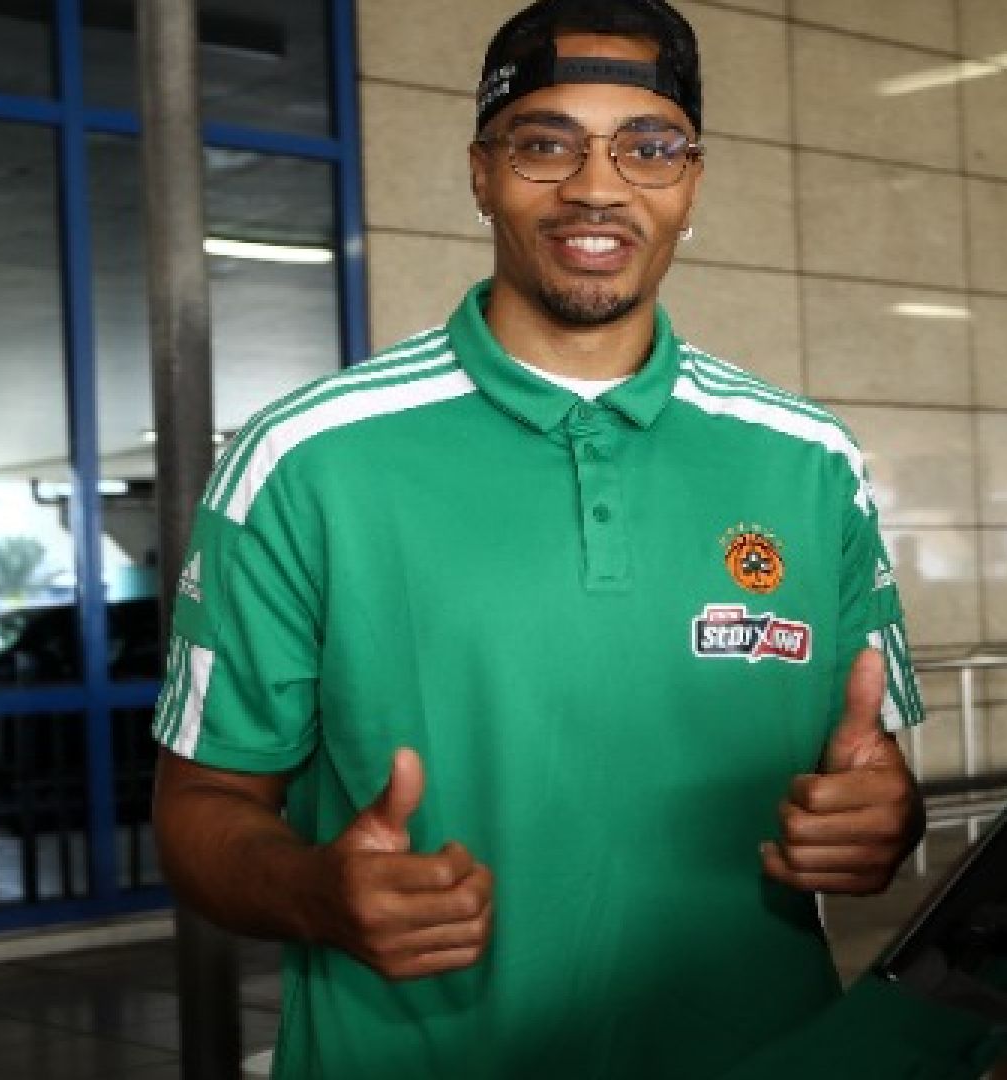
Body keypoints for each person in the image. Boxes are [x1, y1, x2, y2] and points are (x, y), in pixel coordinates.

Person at [149, 1, 927, 1075]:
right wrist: (316, 892)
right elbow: (203, 804)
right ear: (482, 174)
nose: (597, 186)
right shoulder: (308, 457)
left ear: (692, 182)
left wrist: (886, 821)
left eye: (649, 147)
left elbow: (875, 780)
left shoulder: (807, 459)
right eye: (545, 143)